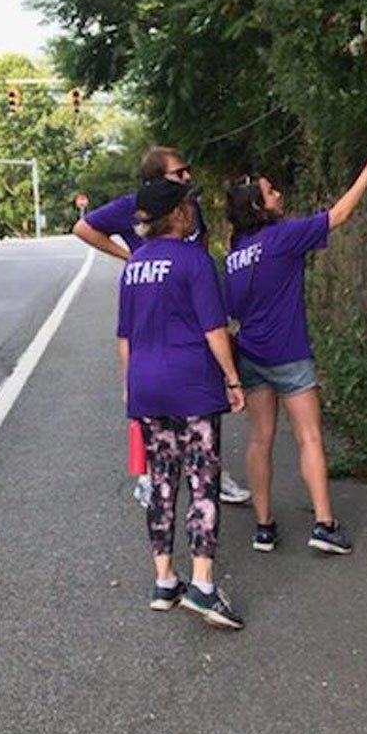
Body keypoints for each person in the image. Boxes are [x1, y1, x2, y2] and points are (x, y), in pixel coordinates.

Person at [223, 136, 367, 555]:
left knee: (261, 440)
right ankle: (324, 524)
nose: (279, 193)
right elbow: (339, 214)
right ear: (260, 206)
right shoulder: (284, 237)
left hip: (251, 356)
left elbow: (230, 311)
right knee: (310, 437)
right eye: (271, 191)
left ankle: (263, 528)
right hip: (291, 354)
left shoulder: (235, 256)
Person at [74, 146, 251, 507]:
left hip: (192, 303)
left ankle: (212, 473)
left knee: (203, 388)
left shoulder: (189, 205)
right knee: (154, 389)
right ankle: (148, 474)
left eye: (187, 170)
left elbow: (197, 246)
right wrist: (130, 256)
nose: (187, 177)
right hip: (155, 306)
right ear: (156, 181)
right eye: (178, 172)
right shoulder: (133, 205)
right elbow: (83, 228)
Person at [118, 177, 246, 630]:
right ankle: (203, 587)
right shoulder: (195, 260)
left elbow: (126, 338)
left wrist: (129, 388)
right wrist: (232, 379)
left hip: (147, 389)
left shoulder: (133, 266)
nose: (193, 210)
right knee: (202, 482)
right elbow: (214, 330)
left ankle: (164, 580)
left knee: (161, 483)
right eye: (188, 205)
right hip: (192, 387)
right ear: (177, 214)